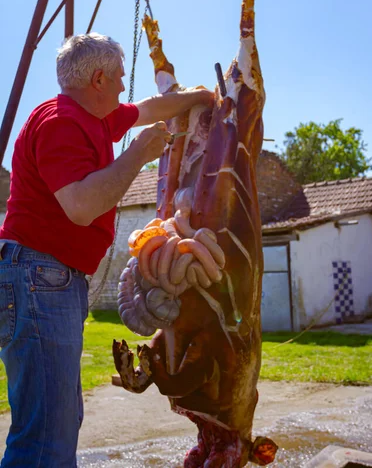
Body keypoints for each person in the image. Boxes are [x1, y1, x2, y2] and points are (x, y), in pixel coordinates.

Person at [0, 33, 214, 467]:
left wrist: (203, 96)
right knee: (45, 439)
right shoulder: (61, 121)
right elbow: (80, 206)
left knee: (57, 422)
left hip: (45, 277)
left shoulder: (93, 117)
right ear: (98, 79)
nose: (122, 87)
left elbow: (151, 109)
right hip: (39, 276)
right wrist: (138, 153)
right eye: (117, 78)